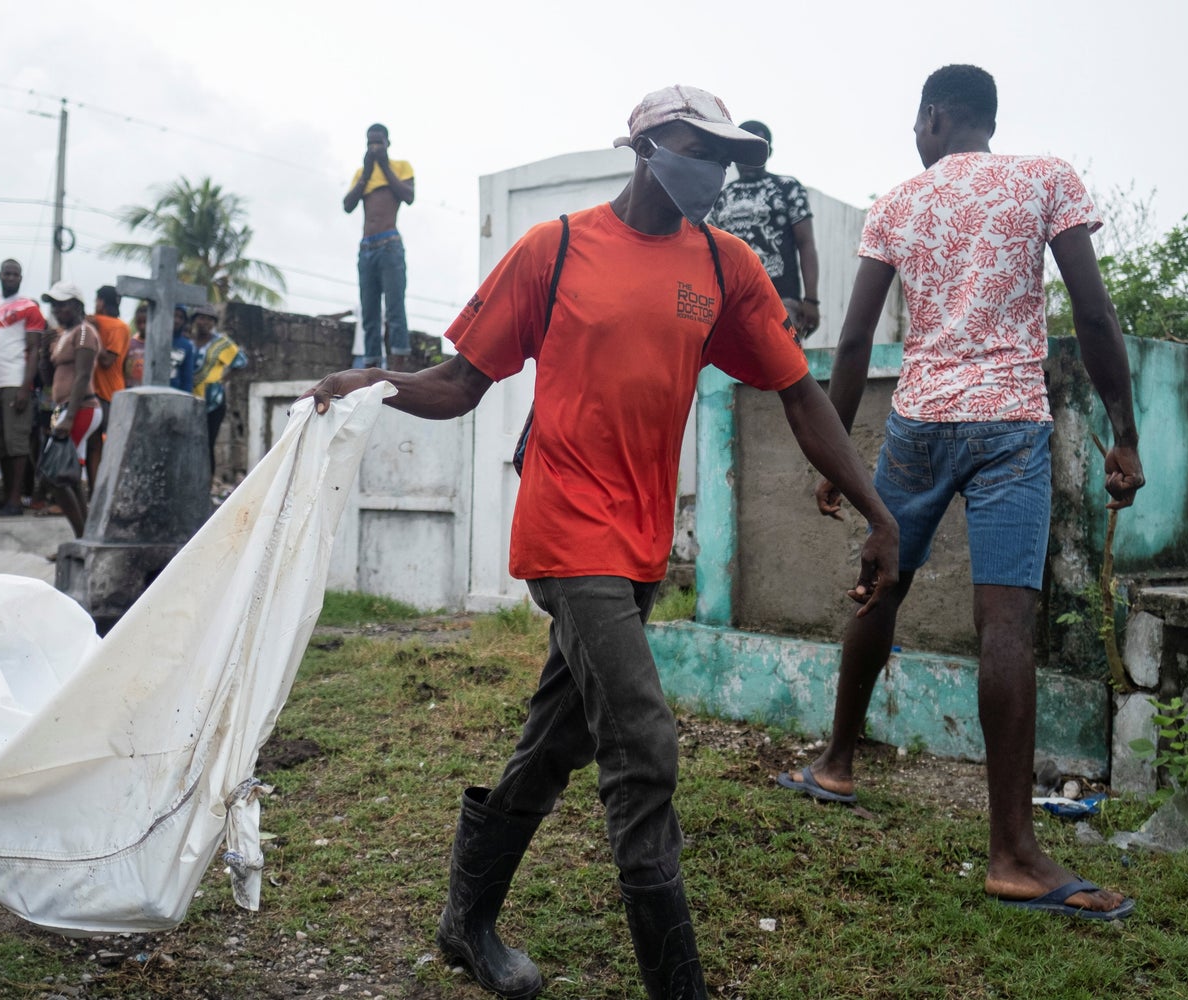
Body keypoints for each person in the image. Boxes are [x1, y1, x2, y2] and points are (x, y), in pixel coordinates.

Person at [305, 85, 900, 1000]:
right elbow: (463, 380)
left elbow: (799, 393)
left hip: (638, 545)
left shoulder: (724, 264)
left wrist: (878, 509)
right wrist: (371, 380)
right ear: (646, 144)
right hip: (564, 528)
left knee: (559, 739)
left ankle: (465, 919)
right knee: (643, 742)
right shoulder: (559, 247)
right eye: (695, 145)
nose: (711, 164)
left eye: (722, 149)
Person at [780, 65, 1144, 922]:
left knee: (882, 585)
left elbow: (858, 336)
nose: (916, 135)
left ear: (937, 117)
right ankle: (1013, 854)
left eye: (917, 121)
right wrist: (1123, 433)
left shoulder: (899, 202)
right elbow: (1092, 316)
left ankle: (837, 762)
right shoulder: (1047, 179)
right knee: (1005, 624)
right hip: (1012, 423)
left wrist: (834, 462)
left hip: (917, 422)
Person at [708, 120, 820, 339]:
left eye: (756, 149)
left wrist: (811, 300)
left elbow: (806, 243)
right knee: (732, 370)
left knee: (783, 368)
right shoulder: (721, 196)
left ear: (769, 152)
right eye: (743, 148)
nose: (749, 156)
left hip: (781, 299)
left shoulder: (788, 187)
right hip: (730, 302)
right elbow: (710, 251)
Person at [0, 259, 45, 516]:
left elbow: (35, 348)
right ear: (0, 275)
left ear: (20, 277)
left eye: (15, 273)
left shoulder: (30, 307)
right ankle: (5, 498)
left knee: (16, 443)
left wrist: (25, 387)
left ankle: (15, 500)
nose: (11, 277)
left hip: (15, 381)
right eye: (7, 273)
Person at [342, 123, 414, 369]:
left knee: (395, 311)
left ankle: (398, 371)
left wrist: (383, 165)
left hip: (390, 245)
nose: (374, 147)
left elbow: (408, 196)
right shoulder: (362, 173)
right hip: (366, 249)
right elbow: (348, 204)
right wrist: (367, 172)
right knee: (369, 315)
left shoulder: (401, 167)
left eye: (378, 143)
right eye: (369, 143)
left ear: (387, 143)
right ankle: (371, 371)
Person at [42, 280, 101, 535]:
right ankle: (85, 535)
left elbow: (82, 375)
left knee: (57, 475)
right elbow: (49, 376)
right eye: (54, 304)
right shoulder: (63, 334)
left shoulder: (85, 332)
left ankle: (81, 535)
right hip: (64, 408)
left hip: (80, 407)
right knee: (70, 475)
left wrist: (70, 416)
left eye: (62, 304)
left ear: (76, 305)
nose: (56, 309)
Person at [189, 302, 246, 480]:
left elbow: (241, 362)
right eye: (200, 318)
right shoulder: (188, 342)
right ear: (194, 320)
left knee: (207, 443)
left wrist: (223, 380)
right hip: (189, 397)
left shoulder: (221, 343)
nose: (203, 322)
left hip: (212, 400)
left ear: (214, 322)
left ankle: (206, 482)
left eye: (208, 319)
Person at [89, 285, 132, 484]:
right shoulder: (119, 326)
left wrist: (94, 331)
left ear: (101, 301)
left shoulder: (115, 326)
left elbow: (107, 361)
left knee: (101, 445)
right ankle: (96, 490)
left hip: (109, 394)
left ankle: (102, 488)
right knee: (100, 445)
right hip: (97, 392)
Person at [169, 305, 200, 393]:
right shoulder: (153, 339)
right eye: (174, 315)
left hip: (174, 393)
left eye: (181, 318)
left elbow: (187, 378)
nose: (176, 320)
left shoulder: (186, 346)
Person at [124, 299, 151, 386]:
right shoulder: (130, 343)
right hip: (131, 388)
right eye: (139, 322)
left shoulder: (154, 346)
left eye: (145, 322)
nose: (142, 326)